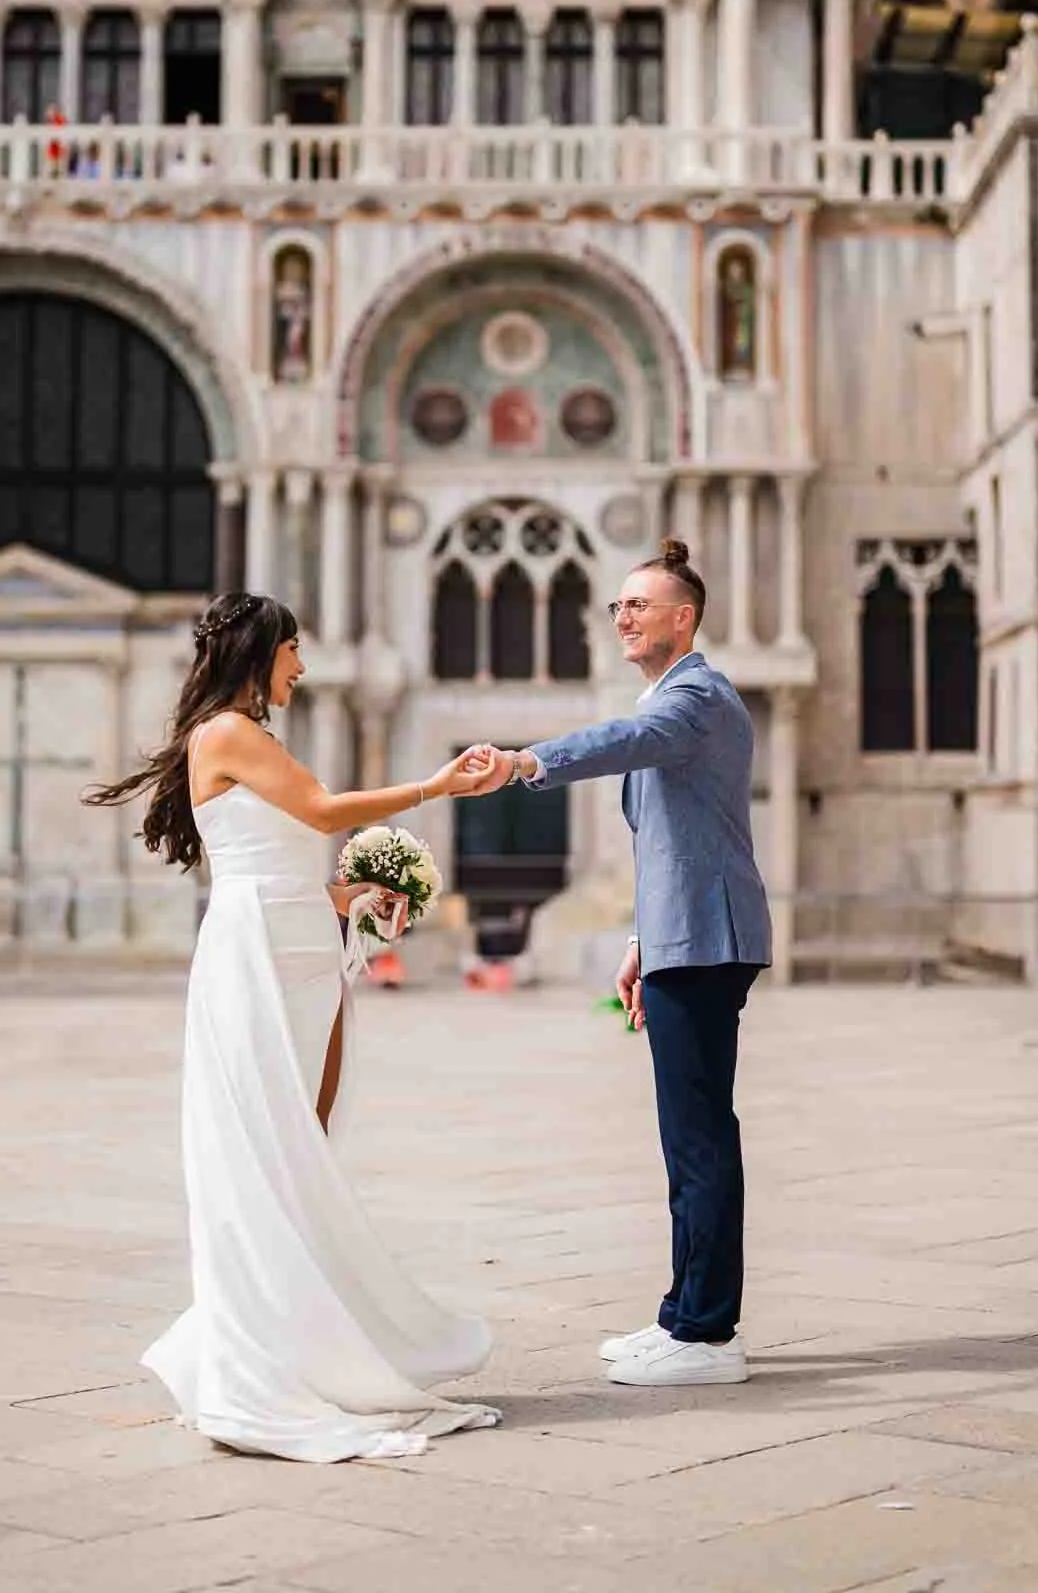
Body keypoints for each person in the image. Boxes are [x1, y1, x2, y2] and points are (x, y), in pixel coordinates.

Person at [84, 592, 501, 1463]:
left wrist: (346, 897)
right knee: (260, 1151)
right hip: (253, 958)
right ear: (259, 651)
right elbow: (317, 812)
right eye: (292, 651)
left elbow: (274, 863)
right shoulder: (228, 734)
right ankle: (262, 1354)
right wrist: (436, 785)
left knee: (293, 1146)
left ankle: (285, 1334)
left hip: (290, 941)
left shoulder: (245, 736)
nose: (301, 668)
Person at [468, 537, 771, 1389]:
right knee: (687, 1138)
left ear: (684, 616)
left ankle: (708, 1334)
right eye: (617, 605)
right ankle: (683, 1315)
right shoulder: (674, 701)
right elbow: (674, 845)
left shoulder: (694, 698)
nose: (622, 616)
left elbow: (620, 740)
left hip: (708, 942)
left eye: (639, 603)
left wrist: (526, 763)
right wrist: (642, 942)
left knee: (699, 1137)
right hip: (685, 937)